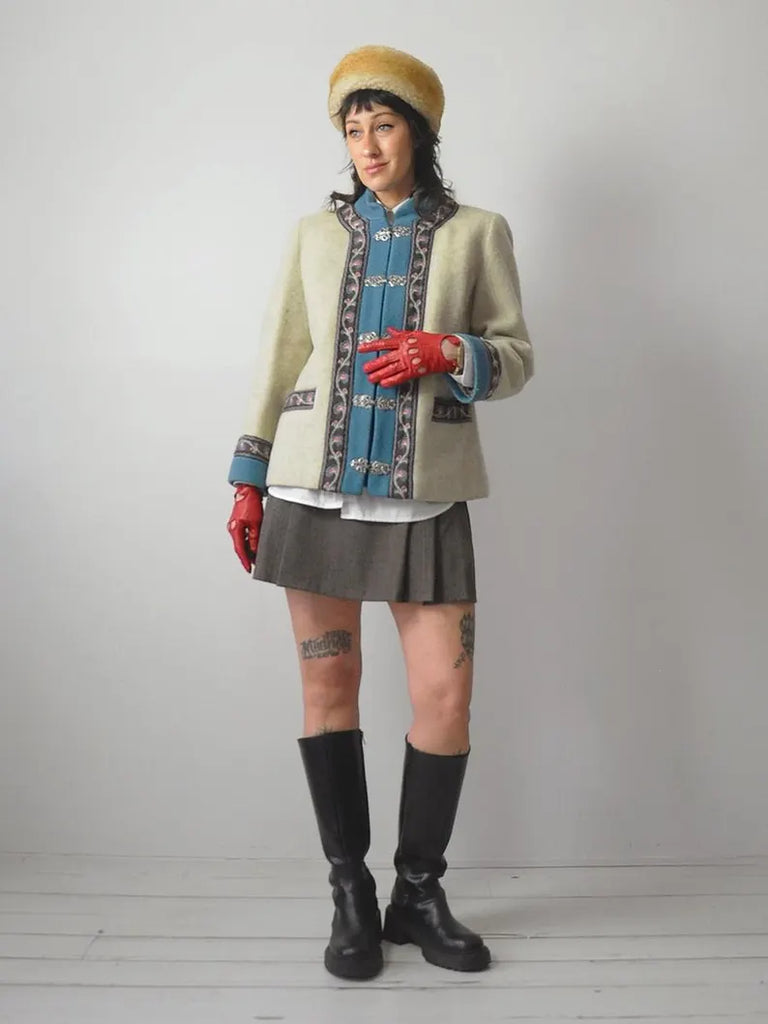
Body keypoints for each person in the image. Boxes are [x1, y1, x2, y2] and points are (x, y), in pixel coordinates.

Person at [226, 44, 533, 979]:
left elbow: (517, 356)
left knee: (446, 696)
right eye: (353, 130)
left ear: (420, 133)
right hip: (309, 488)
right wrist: (247, 476)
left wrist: (450, 351)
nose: (366, 146)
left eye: (384, 125)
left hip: (426, 494)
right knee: (330, 687)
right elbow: (278, 356)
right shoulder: (312, 237)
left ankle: (418, 893)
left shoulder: (479, 233)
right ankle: (350, 894)